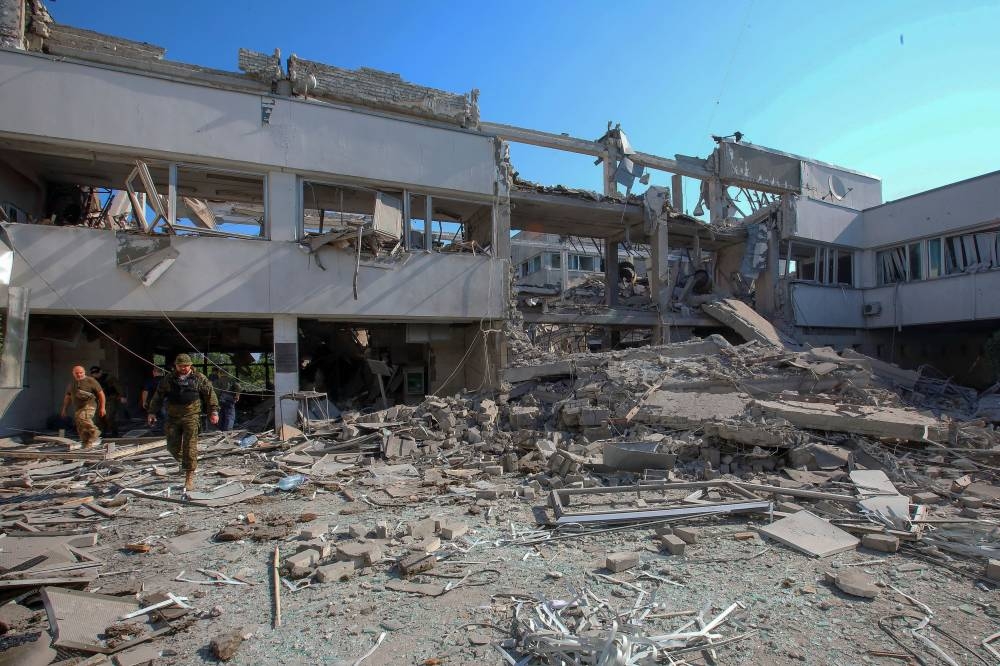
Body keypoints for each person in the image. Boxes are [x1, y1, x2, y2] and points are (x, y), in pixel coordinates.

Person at [147, 354, 219, 491]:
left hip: (191, 416)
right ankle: (184, 462)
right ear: (176, 366)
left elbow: (210, 394)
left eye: (186, 366)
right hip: (173, 417)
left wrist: (213, 412)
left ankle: (189, 477)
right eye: (180, 366)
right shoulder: (168, 379)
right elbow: (158, 396)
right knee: (172, 447)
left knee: (190, 447)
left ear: (190, 365)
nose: (183, 368)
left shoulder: (199, 378)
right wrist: (152, 412)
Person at [59, 365, 105, 448]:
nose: (79, 375)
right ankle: (87, 443)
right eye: (77, 373)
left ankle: (95, 432)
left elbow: (101, 394)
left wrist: (102, 407)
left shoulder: (91, 381)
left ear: (84, 372)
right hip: (78, 408)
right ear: (73, 373)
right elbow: (68, 397)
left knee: (82, 417)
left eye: (81, 373)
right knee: (80, 426)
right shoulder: (72, 384)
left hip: (89, 405)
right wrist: (64, 409)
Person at [90, 366, 125, 437]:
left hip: (110, 399)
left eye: (97, 373)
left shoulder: (109, 378)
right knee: (99, 417)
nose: (95, 375)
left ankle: (114, 432)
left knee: (109, 416)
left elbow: (119, 387)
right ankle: (102, 432)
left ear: (100, 372)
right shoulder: (93, 380)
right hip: (99, 400)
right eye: (93, 373)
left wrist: (122, 396)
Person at [140, 367, 166, 434]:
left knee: (152, 416)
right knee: (166, 417)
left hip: (153, 403)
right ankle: (165, 431)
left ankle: (154, 430)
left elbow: (145, 391)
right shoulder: (167, 380)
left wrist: (144, 401)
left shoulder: (150, 381)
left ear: (154, 372)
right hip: (165, 402)